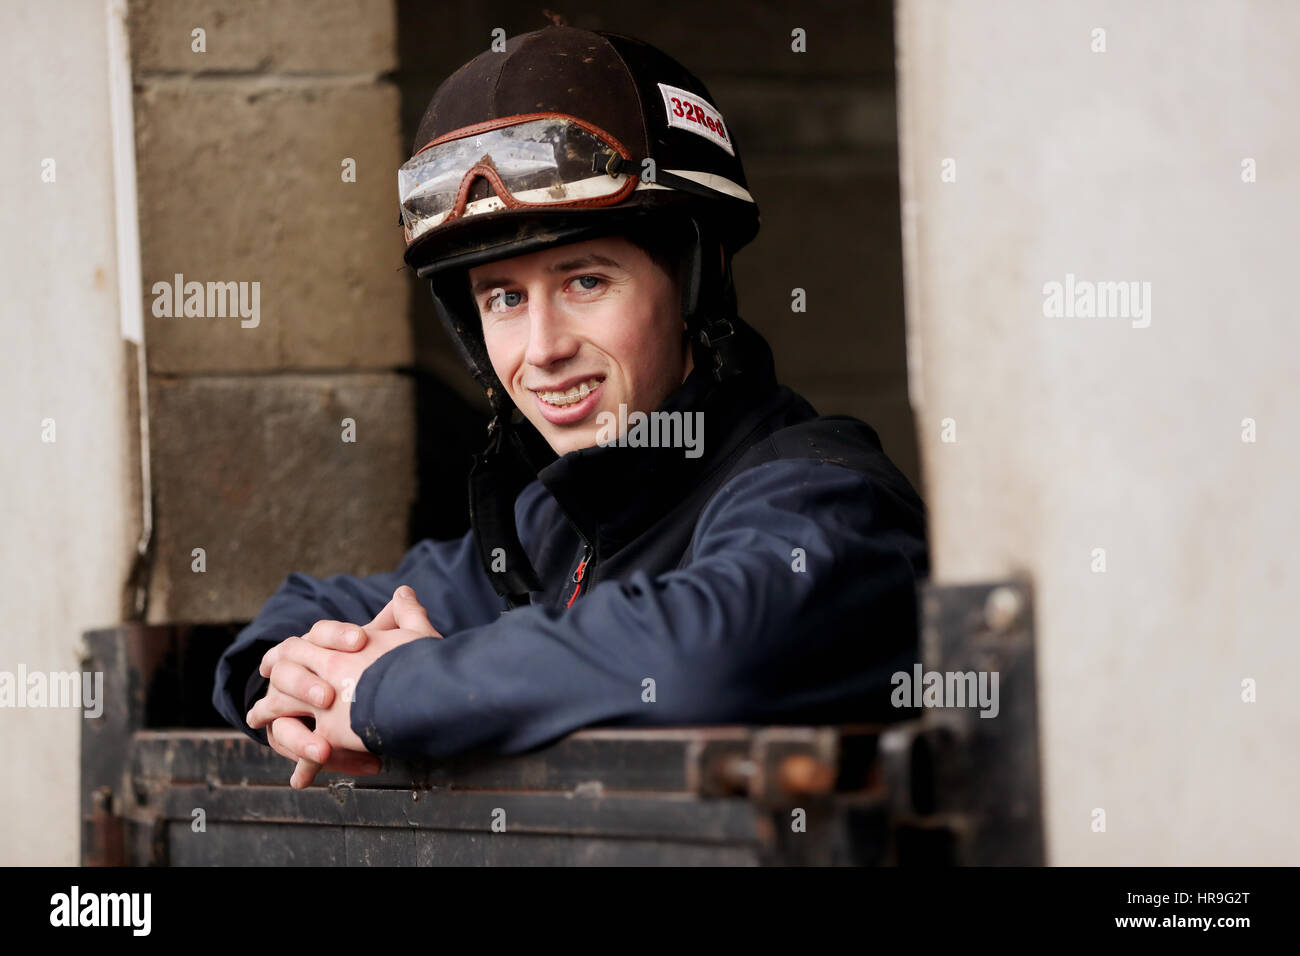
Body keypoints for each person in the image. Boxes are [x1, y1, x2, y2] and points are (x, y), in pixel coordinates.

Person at [212, 23, 929, 789]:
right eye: (505, 299)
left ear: (697, 279)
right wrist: (296, 681)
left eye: (585, 281)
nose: (543, 346)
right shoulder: (556, 525)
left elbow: (705, 662)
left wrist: (392, 691)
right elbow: (307, 605)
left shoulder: (827, 495)